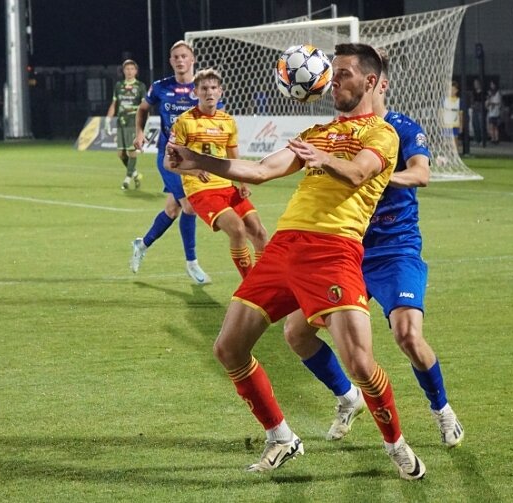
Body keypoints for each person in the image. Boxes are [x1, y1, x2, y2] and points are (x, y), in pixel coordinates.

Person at [167, 43, 426, 480]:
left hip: (334, 250)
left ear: (368, 81)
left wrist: (324, 160)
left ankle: (396, 444)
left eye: (342, 73)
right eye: (332, 72)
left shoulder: (382, 133)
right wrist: (196, 160)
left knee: (361, 364)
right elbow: (261, 170)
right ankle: (282, 437)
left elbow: (360, 172)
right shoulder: (315, 132)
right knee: (228, 348)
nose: (333, 80)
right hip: (285, 246)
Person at [282, 50, 464, 451]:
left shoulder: (399, 128)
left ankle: (442, 409)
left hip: (395, 247)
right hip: (346, 249)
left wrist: (379, 174)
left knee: (407, 335)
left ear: (377, 83)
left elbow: (421, 173)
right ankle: (348, 397)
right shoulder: (340, 129)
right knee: (296, 332)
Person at [164, 69, 268, 279]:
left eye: (213, 88)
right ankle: (250, 286)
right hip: (201, 191)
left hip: (226, 187)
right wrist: (193, 171)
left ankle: (266, 283)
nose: (209, 92)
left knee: (260, 232)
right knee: (238, 229)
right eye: (204, 88)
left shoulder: (227, 121)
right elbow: (168, 162)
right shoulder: (184, 122)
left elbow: (233, 155)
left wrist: (243, 182)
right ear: (196, 92)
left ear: (220, 91)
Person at [130, 40, 212, 285]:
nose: (179, 60)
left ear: (192, 59)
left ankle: (141, 244)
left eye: (184, 56)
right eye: (175, 56)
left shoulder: (202, 88)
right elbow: (143, 109)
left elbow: (215, 116)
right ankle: (192, 264)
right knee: (189, 207)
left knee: (172, 210)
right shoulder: (160, 87)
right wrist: (140, 132)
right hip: (169, 158)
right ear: (171, 61)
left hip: (193, 156)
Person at [105, 59, 146, 190]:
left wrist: (144, 125)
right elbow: (114, 104)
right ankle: (135, 174)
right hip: (121, 122)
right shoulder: (118, 86)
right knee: (120, 154)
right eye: (127, 69)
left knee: (131, 151)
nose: (129, 71)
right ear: (123, 71)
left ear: (136, 71)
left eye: (132, 69)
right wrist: (108, 119)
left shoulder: (140, 86)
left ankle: (127, 180)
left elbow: (144, 107)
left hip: (133, 121)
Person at [442, 81, 461, 151]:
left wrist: (461, 125)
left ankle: (456, 154)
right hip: (446, 123)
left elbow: (460, 113)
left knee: (455, 140)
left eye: (453, 89)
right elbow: (440, 113)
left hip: (455, 124)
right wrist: (440, 122)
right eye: (450, 89)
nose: (451, 91)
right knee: (446, 141)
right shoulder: (444, 100)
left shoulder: (458, 101)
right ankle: (446, 154)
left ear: (456, 90)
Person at [471, 78, 486, 146]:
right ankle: (477, 139)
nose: (475, 85)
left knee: (481, 125)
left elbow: (484, 101)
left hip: (480, 110)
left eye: (476, 83)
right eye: (474, 84)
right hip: (475, 110)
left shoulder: (483, 92)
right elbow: (472, 101)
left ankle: (482, 140)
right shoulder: (473, 92)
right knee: (475, 125)